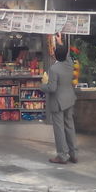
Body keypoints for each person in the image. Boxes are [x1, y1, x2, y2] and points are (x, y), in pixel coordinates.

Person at [40, 33, 78, 164]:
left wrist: (43, 85)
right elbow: (65, 54)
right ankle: (74, 154)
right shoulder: (69, 63)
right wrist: (60, 41)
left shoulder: (54, 69)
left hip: (58, 102)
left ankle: (62, 155)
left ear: (55, 55)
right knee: (70, 126)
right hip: (69, 99)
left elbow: (52, 88)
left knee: (59, 129)